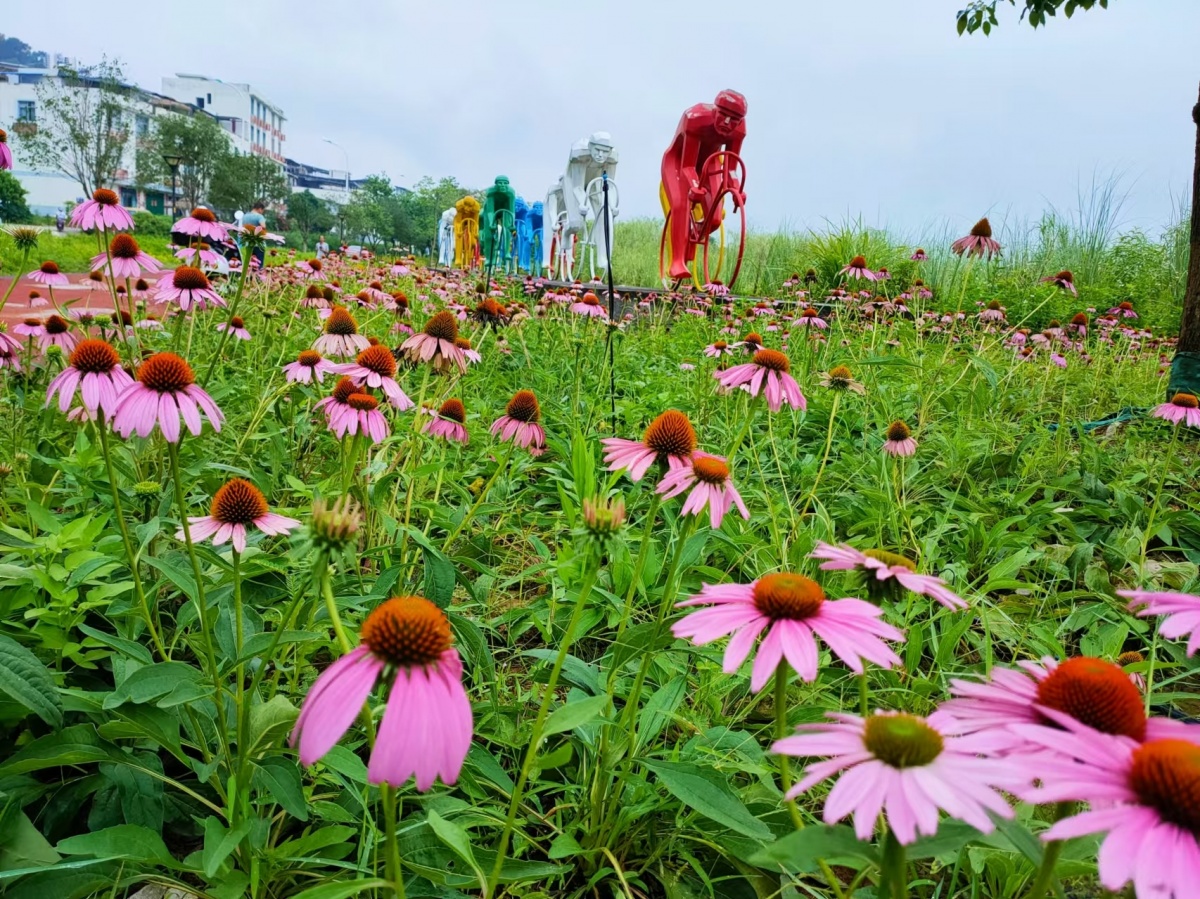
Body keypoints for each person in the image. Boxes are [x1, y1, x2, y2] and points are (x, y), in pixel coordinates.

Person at [660, 90, 747, 281]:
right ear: (715, 110)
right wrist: (693, 185)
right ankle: (676, 261)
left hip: (710, 161)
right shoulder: (695, 118)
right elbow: (687, 166)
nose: (727, 123)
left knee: (715, 217)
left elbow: (730, 168)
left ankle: (690, 234)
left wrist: (736, 189)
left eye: (734, 119)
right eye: (723, 115)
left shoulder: (739, 130)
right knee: (681, 203)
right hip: (678, 162)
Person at [241, 201, 267, 269]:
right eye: (262, 210)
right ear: (260, 209)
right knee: (258, 265)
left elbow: (243, 227)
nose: (262, 212)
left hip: (248, 242)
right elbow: (263, 226)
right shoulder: (259, 216)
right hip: (259, 243)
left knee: (249, 264)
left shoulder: (245, 216)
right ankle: (257, 278)